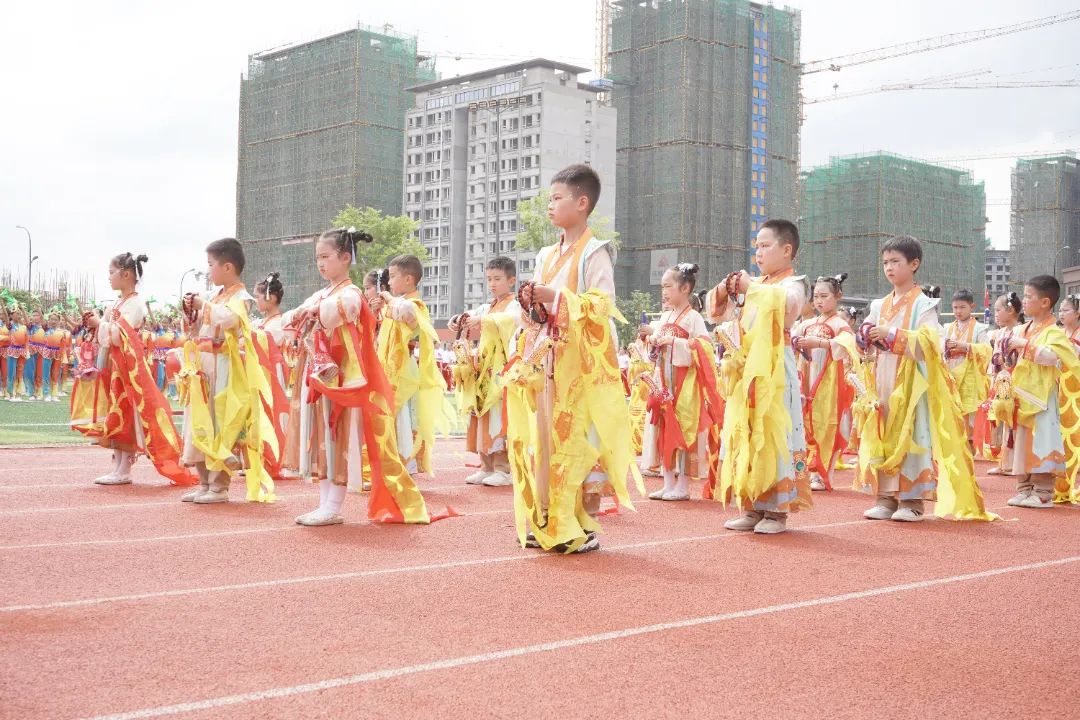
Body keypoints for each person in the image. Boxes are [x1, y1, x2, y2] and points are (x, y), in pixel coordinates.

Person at [504, 164, 639, 553]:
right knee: (544, 439)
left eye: (557, 198)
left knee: (578, 439)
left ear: (582, 203)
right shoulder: (548, 254)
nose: (550, 205)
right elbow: (534, 310)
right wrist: (531, 307)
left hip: (580, 366)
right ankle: (548, 518)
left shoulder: (594, 252)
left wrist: (555, 298)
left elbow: (602, 306)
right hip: (548, 361)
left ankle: (581, 525)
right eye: (550, 198)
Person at [284, 227, 449, 525]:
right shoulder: (323, 293)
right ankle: (325, 502)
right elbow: (294, 316)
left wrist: (312, 311)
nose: (320, 263)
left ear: (346, 257)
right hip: (323, 376)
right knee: (322, 436)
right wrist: (304, 312)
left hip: (346, 380)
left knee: (339, 437)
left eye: (326, 256)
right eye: (317, 258)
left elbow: (340, 311)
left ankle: (333, 505)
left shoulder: (351, 292)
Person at [851, 235, 995, 522]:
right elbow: (864, 331)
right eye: (885, 263)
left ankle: (912, 500)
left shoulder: (924, 305)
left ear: (914, 264)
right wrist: (865, 335)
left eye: (895, 262)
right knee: (883, 433)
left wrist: (892, 336)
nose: (889, 268)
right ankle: (885, 498)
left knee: (912, 434)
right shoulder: (879, 304)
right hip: (882, 378)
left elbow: (932, 343)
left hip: (912, 384)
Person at [701, 219, 810, 534]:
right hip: (746, 369)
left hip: (775, 370)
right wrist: (724, 288)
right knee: (746, 432)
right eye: (757, 246)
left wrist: (752, 288)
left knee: (775, 432)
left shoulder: (795, 282)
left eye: (765, 245)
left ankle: (776, 511)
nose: (758, 252)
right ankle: (750, 506)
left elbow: (788, 309)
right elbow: (718, 314)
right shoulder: (760, 284)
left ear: (786, 250)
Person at [69, 253, 194, 486]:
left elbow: (119, 335)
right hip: (114, 366)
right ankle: (118, 464)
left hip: (128, 369)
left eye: (111, 272)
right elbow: (109, 332)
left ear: (126, 274)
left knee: (127, 412)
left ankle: (124, 467)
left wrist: (100, 324)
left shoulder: (135, 304)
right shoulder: (118, 303)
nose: (109, 277)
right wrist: (97, 323)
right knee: (117, 410)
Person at [177, 238, 276, 504]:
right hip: (203, 364)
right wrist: (189, 312)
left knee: (218, 421)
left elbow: (230, 320)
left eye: (211, 265)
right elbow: (197, 325)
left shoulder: (241, 298)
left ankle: (219, 486)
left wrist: (204, 307)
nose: (209, 270)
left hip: (224, 365)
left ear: (228, 267)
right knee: (198, 420)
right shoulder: (214, 296)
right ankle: (203, 481)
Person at [639, 263, 721, 501]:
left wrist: (673, 343)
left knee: (684, 429)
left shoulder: (693, 317)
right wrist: (653, 340)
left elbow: (705, 346)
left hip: (685, 385)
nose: (663, 291)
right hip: (664, 380)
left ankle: (683, 486)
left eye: (668, 286)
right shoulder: (665, 316)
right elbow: (654, 351)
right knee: (663, 428)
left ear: (685, 288)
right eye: (662, 286)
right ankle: (668, 482)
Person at [1003, 276, 1080, 508]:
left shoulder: (1054, 332)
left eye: (1028, 297)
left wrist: (1023, 346)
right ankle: (1024, 488)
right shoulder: (1021, 328)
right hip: (1019, 395)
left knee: (1042, 441)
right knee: (1020, 442)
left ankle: (1044, 491)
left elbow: (1054, 358)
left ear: (1045, 302)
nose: (1023, 301)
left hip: (1042, 398)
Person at [372, 255, 449, 477]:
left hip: (404, 371)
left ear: (409, 279)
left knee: (403, 418)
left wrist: (386, 297)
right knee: (394, 417)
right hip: (390, 369)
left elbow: (403, 313)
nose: (389, 280)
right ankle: (393, 462)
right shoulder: (398, 302)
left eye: (393, 276)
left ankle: (405, 463)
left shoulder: (414, 304)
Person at [449, 256, 520, 487]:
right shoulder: (487, 306)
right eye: (489, 279)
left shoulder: (515, 304)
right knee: (481, 414)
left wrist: (483, 319)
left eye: (497, 279)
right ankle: (486, 465)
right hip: (484, 369)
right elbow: (474, 315)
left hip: (501, 368)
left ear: (511, 280)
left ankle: (504, 468)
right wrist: (459, 319)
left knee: (498, 415)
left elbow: (510, 320)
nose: (492, 284)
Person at [791, 273, 857, 491]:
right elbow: (789, 336)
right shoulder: (807, 323)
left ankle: (821, 473)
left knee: (825, 426)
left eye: (824, 296)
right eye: (816, 296)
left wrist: (818, 342)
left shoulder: (839, 323)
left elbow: (847, 343)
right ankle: (800, 470)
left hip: (828, 383)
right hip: (805, 380)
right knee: (803, 425)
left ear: (838, 296)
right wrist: (796, 341)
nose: (819, 301)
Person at [944, 289, 992, 441]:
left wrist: (965, 346)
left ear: (972, 306)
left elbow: (987, 350)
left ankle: (969, 445)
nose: (958, 311)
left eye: (962, 307)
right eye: (955, 308)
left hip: (970, 376)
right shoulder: (947, 328)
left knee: (969, 412)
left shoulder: (979, 328)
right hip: (951, 373)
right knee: (951, 411)